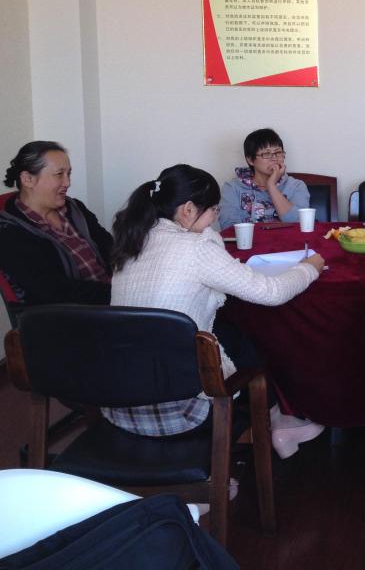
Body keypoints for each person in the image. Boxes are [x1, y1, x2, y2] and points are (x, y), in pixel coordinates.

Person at [108, 164, 326, 459]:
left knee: (227, 331)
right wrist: (309, 268)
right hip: (181, 410)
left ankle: (276, 420)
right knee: (247, 337)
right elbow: (272, 293)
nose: (215, 218)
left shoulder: (133, 241)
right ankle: (273, 422)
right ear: (188, 210)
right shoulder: (196, 248)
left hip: (119, 401)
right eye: (213, 210)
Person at [0, 141, 113, 305]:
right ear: (28, 179)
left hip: (111, 296)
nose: (67, 182)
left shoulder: (75, 209)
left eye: (68, 174)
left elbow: (109, 247)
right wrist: (119, 293)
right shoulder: (13, 236)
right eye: (59, 174)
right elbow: (56, 292)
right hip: (77, 313)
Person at [219, 128, 309, 229]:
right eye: (266, 154)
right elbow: (228, 227)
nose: (274, 158)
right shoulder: (232, 188)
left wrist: (271, 186)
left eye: (278, 152)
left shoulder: (296, 186)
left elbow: (299, 223)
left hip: (287, 239)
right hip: (249, 240)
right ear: (250, 160)